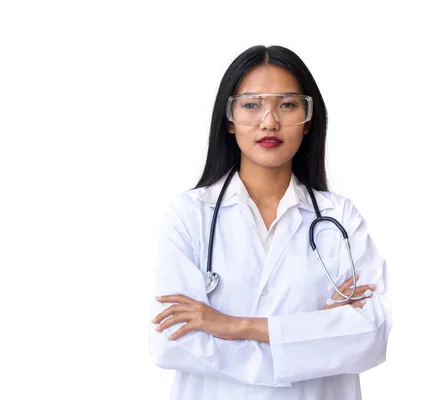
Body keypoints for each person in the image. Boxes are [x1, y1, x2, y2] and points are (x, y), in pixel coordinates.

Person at [149, 44, 392, 400]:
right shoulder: (189, 215)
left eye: (287, 104)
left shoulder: (340, 218)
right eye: (251, 104)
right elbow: (173, 345)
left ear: (308, 120)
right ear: (229, 120)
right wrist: (316, 337)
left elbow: (370, 336)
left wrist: (233, 325)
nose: (269, 121)